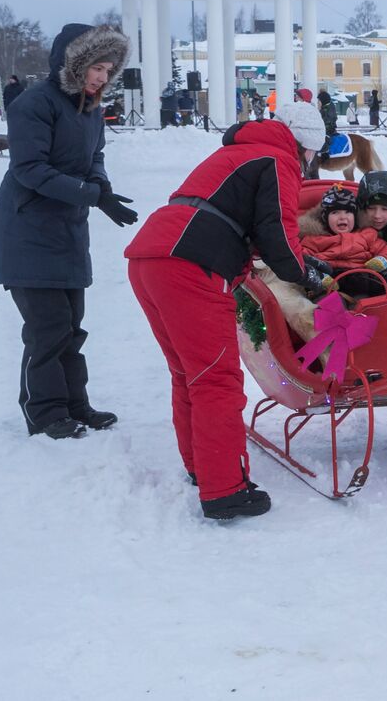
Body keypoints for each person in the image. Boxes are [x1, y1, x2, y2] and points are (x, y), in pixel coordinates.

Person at [124, 100, 329, 520]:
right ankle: (226, 491)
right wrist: (311, 276)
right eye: (313, 154)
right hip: (191, 264)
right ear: (306, 145)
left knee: (189, 372)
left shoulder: (237, 151)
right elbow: (278, 233)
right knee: (216, 379)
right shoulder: (278, 159)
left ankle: (202, 468)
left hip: (151, 256)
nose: (310, 163)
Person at [0, 24, 138, 439]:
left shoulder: (88, 108)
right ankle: (45, 411)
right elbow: (29, 168)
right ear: (75, 63)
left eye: (109, 70)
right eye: (98, 68)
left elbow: (96, 156)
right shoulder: (34, 104)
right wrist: (91, 195)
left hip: (67, 230)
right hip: (27, 229)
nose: (103, 78)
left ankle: (75, 404)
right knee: (47, 327)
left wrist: (101, 187)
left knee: (72, 324)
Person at [298, 185, 387, 299]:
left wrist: (382, 260)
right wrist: (320, 277)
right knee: (327, 302)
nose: (342, 217)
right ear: (325, 217)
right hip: (330, 284)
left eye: (348, 212)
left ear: (355, 217)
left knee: (365, 301)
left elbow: (385, 249)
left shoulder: (366, 235)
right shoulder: (314, 239)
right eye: (335, 212)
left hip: (361, 282)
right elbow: (303, 259)